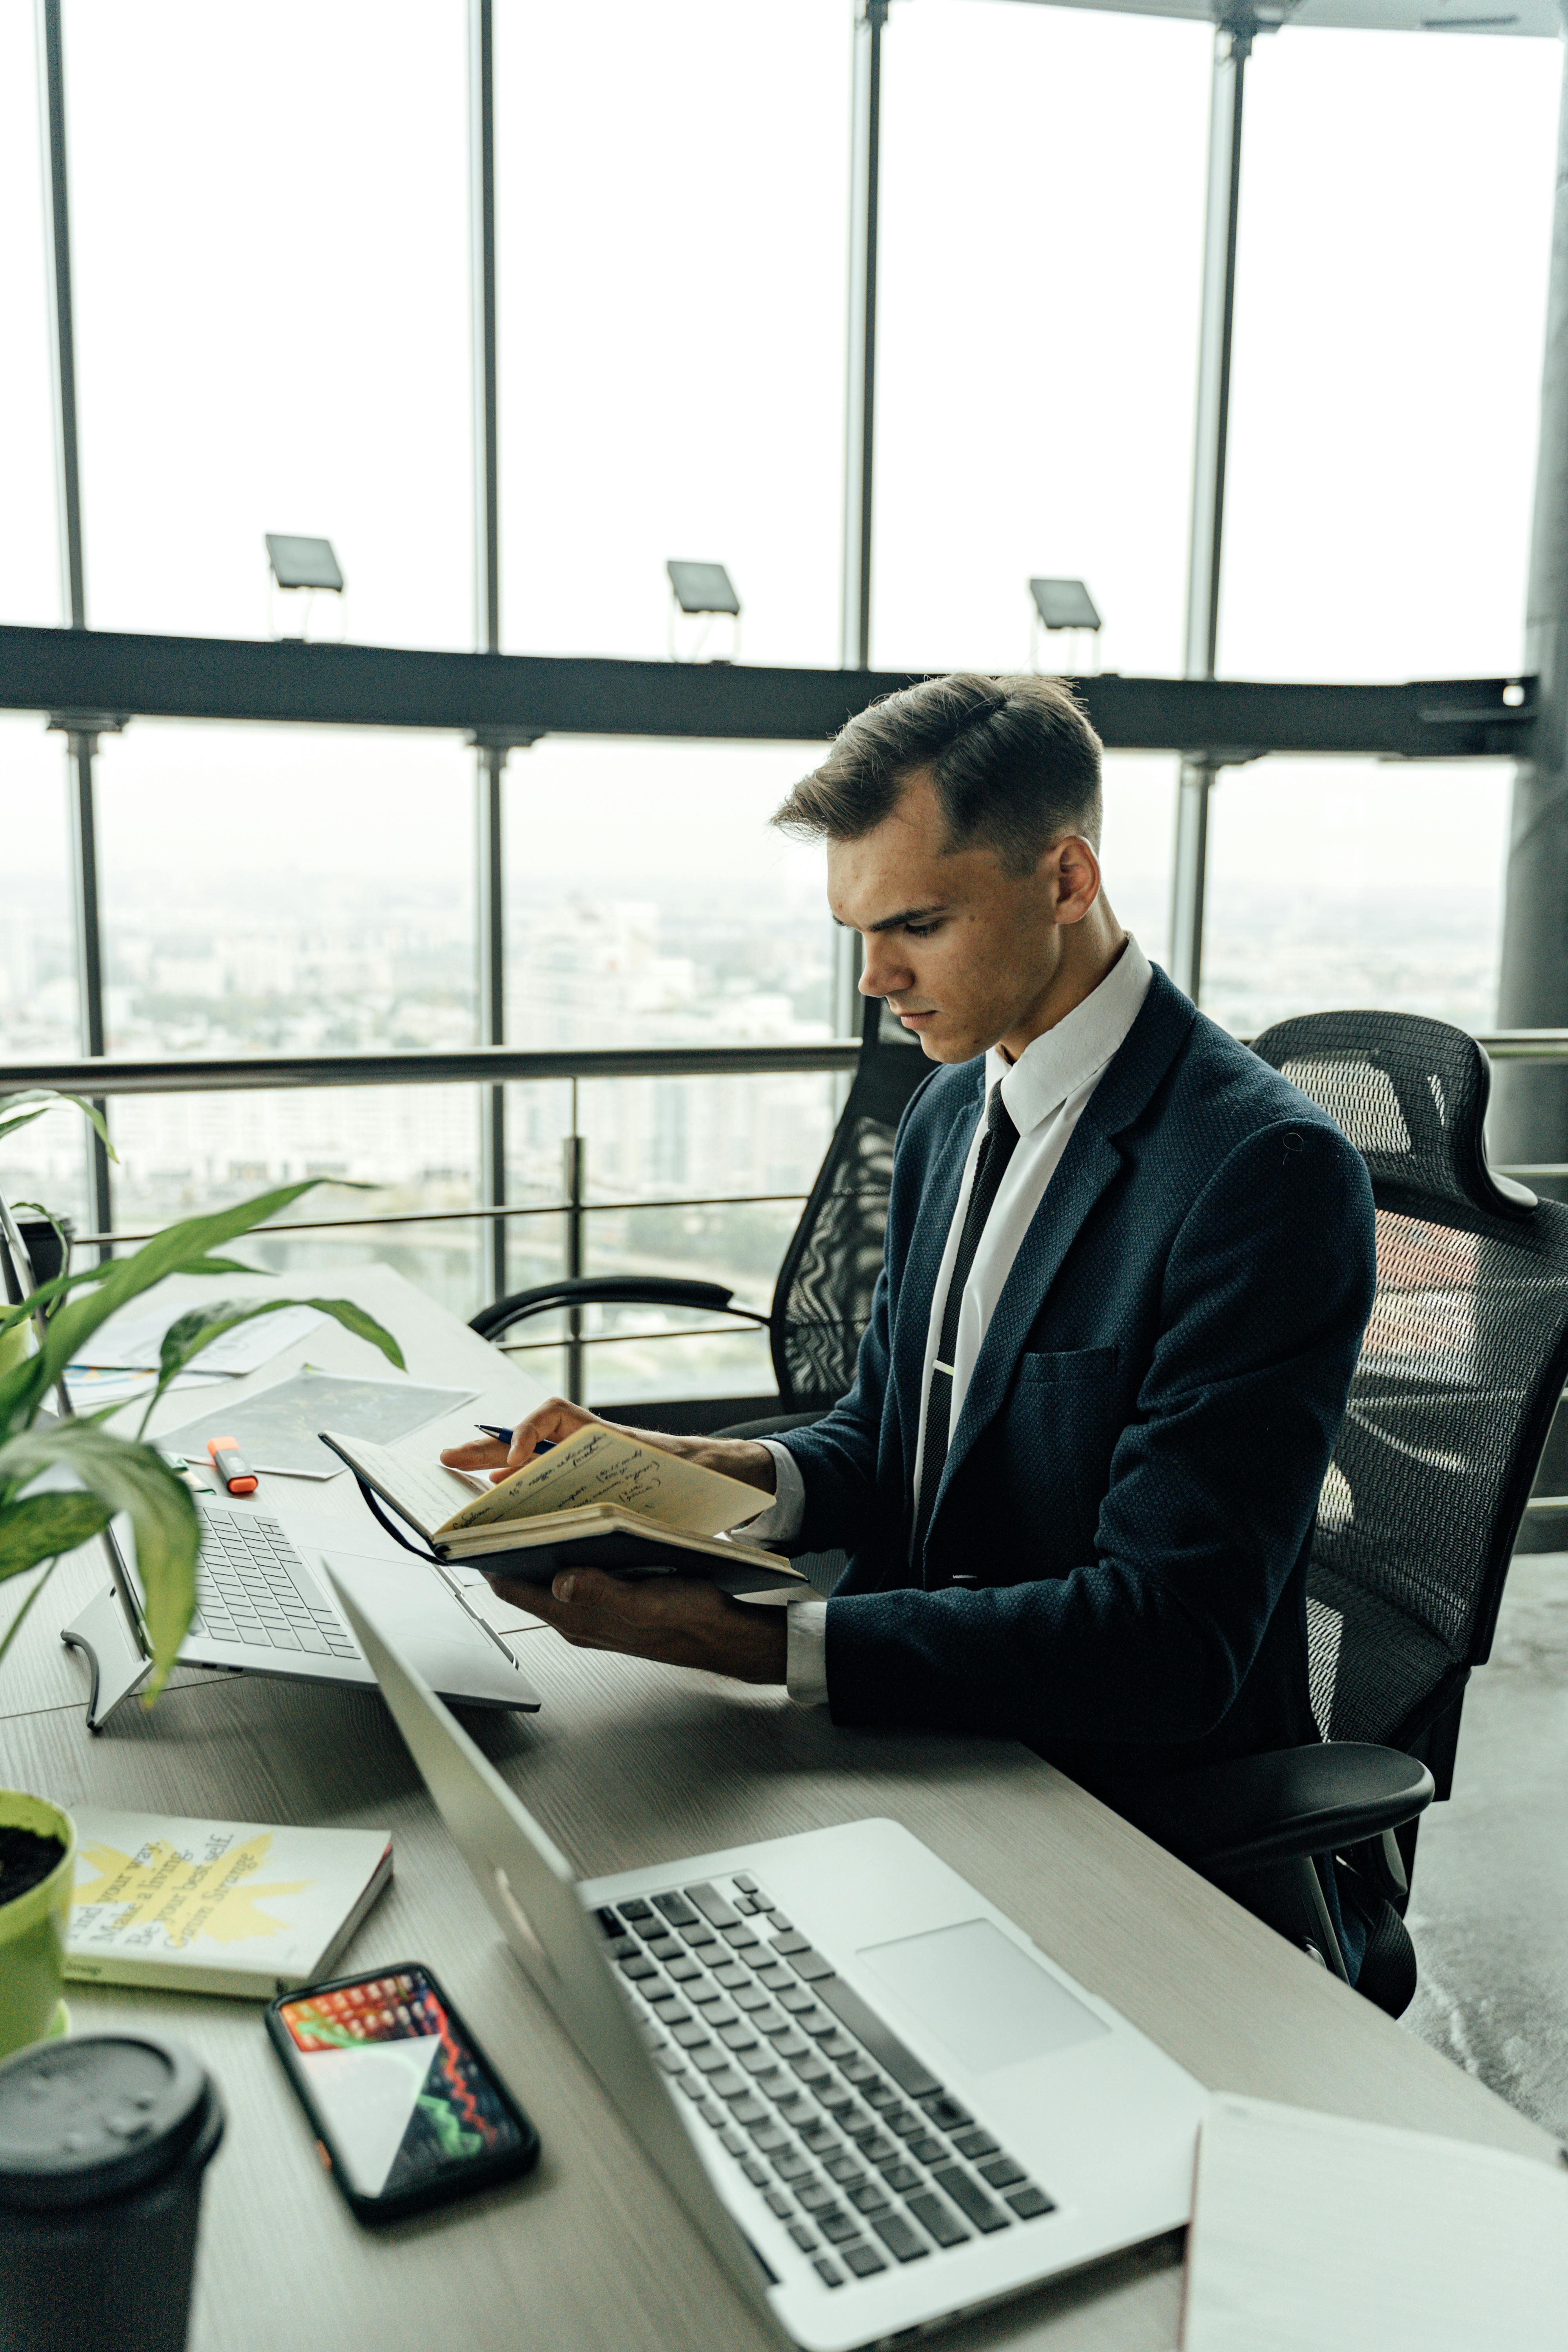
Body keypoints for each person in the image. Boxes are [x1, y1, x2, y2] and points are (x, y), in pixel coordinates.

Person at [443, 672, 1376, 1807]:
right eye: (859, 932)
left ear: (1067, 878)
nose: (876, 981)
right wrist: (697, 1474)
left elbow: (1168, 1642)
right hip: (919, 1724)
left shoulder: (1257, 1174)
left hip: (1111, 1792)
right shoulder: (949, 1109)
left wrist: (752, 1646)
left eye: (917, 926)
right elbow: (896, 1444)